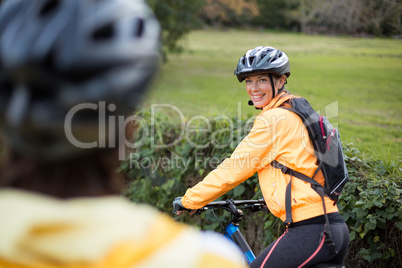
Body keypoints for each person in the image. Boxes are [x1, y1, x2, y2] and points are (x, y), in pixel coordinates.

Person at [0, 0, 244, 267]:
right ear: (127, 128)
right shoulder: (197, 258)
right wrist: (189, 200)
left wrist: (189, 200)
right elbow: (234, 167)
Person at [173, 46, 350, 267]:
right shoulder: (297, 110)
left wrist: (190, 200)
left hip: (311, 230)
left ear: (281, 80)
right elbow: (302, 166)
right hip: (332, 227)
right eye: (248, 81)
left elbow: (235, 168)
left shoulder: (274, 119)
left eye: (262, 80)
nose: (254, 88)